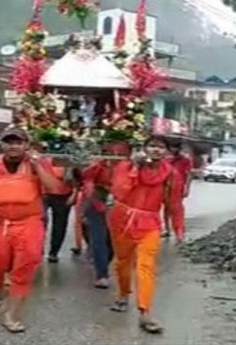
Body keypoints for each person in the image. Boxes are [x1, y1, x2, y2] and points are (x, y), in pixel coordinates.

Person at [0, 128, 62, 334]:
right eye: (9, 142)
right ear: (2, 145)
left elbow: (54, 188)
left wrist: (38, 166)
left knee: (23, 270)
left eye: (19, 142)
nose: (14, 146)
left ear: (27, 145)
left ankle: (12, 315)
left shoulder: (36, 165)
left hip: (29, 224)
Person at [107, 136, 184, 334]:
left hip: (149, 224)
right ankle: (123, 294)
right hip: (123, 219)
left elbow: (174, 203)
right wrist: (134, 168)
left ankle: (145, 312)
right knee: (122, 262)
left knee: (146, 266)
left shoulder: (171, 173)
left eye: (160, 147)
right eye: (152, 146)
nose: (156, 150)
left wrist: (179, 229)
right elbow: (119, 191)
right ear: (144, 149)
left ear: (166, 152)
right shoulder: (125, 166)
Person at [79, 142, 128, 288]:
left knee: (112, 241)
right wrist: (94, 199)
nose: (115, 156)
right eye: (111, 153)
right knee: (98, 239)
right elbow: (87, 181)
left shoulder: (130, 167)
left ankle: (103, 263)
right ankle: (102, 274)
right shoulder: (97, 165)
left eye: (120, 154)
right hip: (97, 202)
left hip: (120, 205)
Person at [43, 160, 75, 263]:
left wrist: (73, 194)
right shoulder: (43, 160)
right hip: (45, 194)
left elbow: (78, 180)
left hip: (64, 195)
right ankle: (37, 248)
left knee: (60, 225)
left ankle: (54, 252)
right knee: (40, 222)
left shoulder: (71, 161)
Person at [163, 141, 193, 242]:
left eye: (176, 147)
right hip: (164, 185)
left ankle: (179, 232)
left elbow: (189, 174)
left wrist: (186, 188)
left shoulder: (185, 160)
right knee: (166, 209)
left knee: (177, 210)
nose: (173, 150)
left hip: (177, 186)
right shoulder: (165, 159)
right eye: (172, 147)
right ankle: (167, 229)